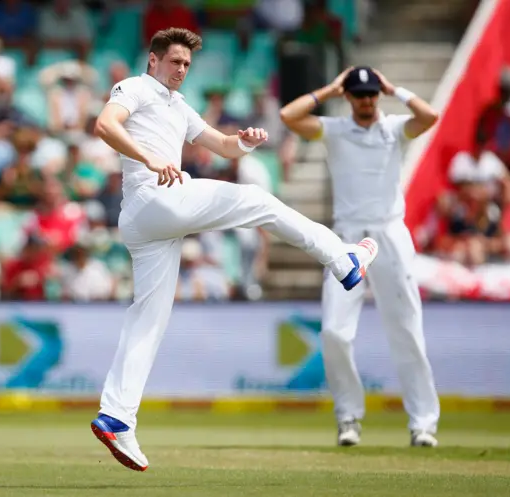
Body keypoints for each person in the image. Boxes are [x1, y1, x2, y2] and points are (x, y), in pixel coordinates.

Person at [89, 28, 379, 472]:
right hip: (155, 198)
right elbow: (105, 125)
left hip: (150, 223)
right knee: (257, 201)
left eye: (186, 64)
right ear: (153, 61)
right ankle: (343, 258)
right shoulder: (136, 87)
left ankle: (116, 416)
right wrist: (149, 158)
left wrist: (244, 142)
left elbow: (221, 146)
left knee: (149, 318)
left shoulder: (179, 106)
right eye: (174, 62)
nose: (181, 70)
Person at [280, 66, 441, 447]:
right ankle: (348, 418)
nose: (367, 100)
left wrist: (394, 88)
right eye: (359, 94)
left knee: (407, 331)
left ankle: (423, 423)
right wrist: (331, 89)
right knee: (335, 331)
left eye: (372, 94)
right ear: (349, 97)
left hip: (389, 232)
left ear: (378, 95)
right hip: (347, 236)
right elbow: (289, 115)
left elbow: (430, 117)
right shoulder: (334, 130)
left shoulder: (396, 127)